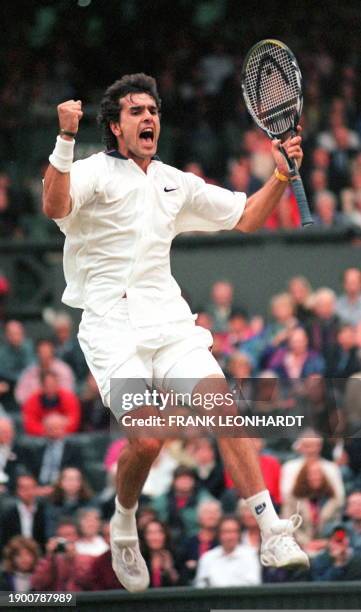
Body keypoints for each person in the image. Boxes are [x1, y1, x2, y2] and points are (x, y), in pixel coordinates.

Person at [43, 73, 308, 591]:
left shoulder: (173, 181)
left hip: (168, 320)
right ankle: (124, 524)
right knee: (147, 439)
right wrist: (65, 140)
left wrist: (278, 178)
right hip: (111, 327)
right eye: (137, 111)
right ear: (115, 126)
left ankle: (272, 529)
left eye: (154, 111)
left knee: (224, 410)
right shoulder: (92, 171)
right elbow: (54, 205)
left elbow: (247, 218)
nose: (149, 118)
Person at [194, 516, 261, 587]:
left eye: (234, 531)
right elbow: (200, 586)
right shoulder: (207, 557)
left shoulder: (250, 555)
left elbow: (254, 583)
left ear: (239, 534)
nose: (229, 536)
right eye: (226, 532)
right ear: (219, 534)